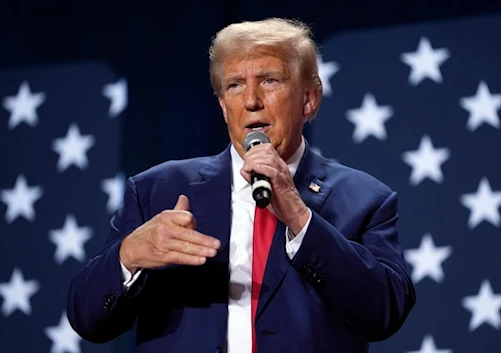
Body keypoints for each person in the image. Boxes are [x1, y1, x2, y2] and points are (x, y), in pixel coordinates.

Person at [67, 17, 416, 353]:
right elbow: (87, 319)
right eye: (234, 85)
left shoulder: (366, 200)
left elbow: (384, 313)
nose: (251, 101)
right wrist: (129, 254)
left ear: (309, 99)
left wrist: (299, 217)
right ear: (222, 105)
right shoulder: (157, 190)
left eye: (270, 81)